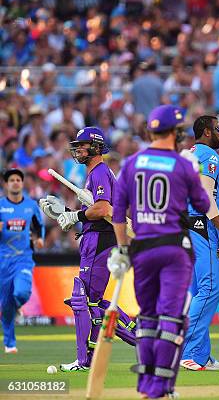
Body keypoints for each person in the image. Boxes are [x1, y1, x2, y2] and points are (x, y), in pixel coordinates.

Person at [108, 104, 211, 399]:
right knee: (171, 319)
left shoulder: (131, 163)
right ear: (177, 132)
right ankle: (160, 389)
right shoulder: (183, 164)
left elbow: (118, 212)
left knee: (148, 318)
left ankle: (146, 387)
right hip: (174, 248)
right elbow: (202, 205)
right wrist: (197, 172)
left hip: (141, 249)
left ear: (151, 131)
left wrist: (121, 250)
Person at [39, 127, 136, 372]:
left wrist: (75, 215)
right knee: (92, 302)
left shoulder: (100, 172)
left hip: (100, 240)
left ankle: (86, 360)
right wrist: (74, 214)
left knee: (83, 300)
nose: (78, 150)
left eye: (81, 145)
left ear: (94, 147)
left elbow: (103, 209)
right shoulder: (96, 173)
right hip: (97, 239)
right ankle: (140, 336)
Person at [180, 115, 219, 371]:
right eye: (218, 129)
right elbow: (205, 196)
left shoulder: (187, 153)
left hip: (185, 225)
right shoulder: (209, 156)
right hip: (201, 225)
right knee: (210, 289)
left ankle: (202, 353)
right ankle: (187, 352)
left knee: (201, 291)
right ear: (206, 132)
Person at [0, 168, 44, 354]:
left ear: (22, 183)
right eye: (12, 180)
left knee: (22, 292)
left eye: (18, 179)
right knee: (5, 304)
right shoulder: (0, 206)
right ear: (6, 184)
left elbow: (39, 225)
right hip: (3, 261)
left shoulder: (31, 205)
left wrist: (40, 239)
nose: (15, 182)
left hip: (23, 259)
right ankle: (10, 344)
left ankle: (18, 306)